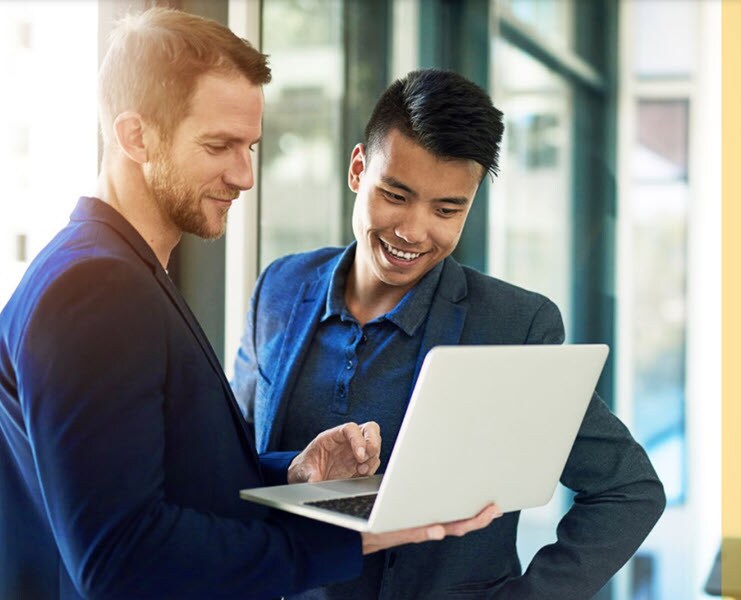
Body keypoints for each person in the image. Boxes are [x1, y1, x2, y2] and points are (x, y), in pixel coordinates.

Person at [0, 11, 498, 600]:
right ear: (136, 137)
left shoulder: (114, 270)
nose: (244, 176)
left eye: (251, 147)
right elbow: (120, 559)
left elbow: (149, 480)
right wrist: (354, 539)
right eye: (220, 146)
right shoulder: (97, 288)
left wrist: (294, 473)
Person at [232, 68, 666, 599]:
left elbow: (628, 489)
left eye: (446, 209)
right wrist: (295, 472)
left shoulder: (512, 327)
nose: (413, 231)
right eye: (395, 195)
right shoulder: (279, 288)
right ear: (358, 169)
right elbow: (231, 463)